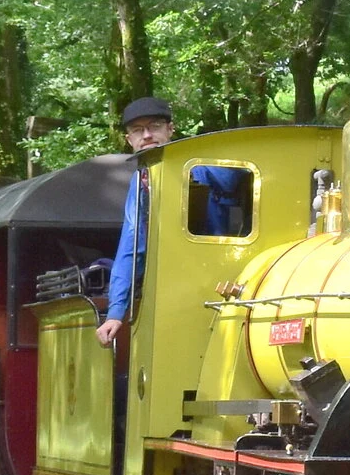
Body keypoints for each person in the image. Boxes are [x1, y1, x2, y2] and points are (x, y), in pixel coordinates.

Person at [97, 97, 248, 347]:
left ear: (170, 129)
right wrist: (115, 313)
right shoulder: (140, 180)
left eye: (154, 126)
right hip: (170, 289)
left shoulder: (202, 163)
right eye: (138, 130)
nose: (147, 135)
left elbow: (241, 179)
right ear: (129, 140)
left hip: (220, 281)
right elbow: (131, 245)